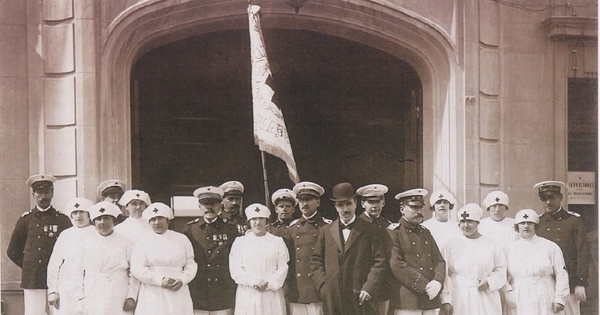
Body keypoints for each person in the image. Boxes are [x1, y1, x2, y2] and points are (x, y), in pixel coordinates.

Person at [310, 182, 387, 315]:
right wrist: (323, 286)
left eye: (348, 203)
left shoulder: (371, 230)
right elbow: (315, 261)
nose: (345, 209)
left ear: (355, 203)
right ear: (335, 206)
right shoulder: (326, 230)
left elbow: (379, 261)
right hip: (333, 298)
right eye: (340, 205)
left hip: (361, 297)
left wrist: (369, 288)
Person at [7, 174, 72, 315]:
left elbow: (71, 249)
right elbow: (12, 250)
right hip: (33, 278)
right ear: (33, 194)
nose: (43, 196)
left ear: (52, 193)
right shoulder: (26, 220)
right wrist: (30, 264)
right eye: (39, 192)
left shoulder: (63, 220)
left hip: (58, 279)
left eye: (47, 192)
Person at [131, 202, 198, 315]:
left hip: (178, 291)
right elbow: (137, 268)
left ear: (168, 220)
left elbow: (191, 264)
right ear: (149, 222)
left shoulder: (181, 239)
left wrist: (182, 280)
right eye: (153, 219)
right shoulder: (142, 241)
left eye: (160, 218)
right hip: (152, 292)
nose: (157, 222)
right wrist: (160, 280)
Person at [440, 203, 507, 315]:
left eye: (470, 221)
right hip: (459, 295)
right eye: (462, 222)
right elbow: (444, 273)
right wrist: (446, 299)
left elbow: (501, 270)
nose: (466, 225)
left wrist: (489, 282)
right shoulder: (451, 244)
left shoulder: (491, 245)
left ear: (477, 223)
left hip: (486, 297)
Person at [387, 188, 445, 315]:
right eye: (414, 208)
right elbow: (396, 265)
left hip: (430, 299)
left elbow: (439, 261)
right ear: (402, 209)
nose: (419, 212)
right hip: (407, 301)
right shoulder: (393, 232)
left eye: (421, 208)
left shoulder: (425, 232)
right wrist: (424, 285)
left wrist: (437, 282)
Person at [534, 181, 589, 315]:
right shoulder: (538, 222)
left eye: (552, 197)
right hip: (545, 284)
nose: (548, 202)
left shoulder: (573, 221)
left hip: (569, 283)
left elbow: (583, 252)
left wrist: (580, 283)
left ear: (561, 198)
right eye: (544, 198)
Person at [76, 201, 140, 315]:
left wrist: (131, 296)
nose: (102, 222)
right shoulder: (85, 243)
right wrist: (79, 297)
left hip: (118, 291)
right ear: (94, 222)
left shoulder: (126, 243)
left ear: (113, 221)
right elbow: (78, 272)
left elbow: (134, 272)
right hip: (92, 291)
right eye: (99, 219)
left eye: (106, 218)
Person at [184, 186, 239, 315]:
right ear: (199, 206)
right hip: (198, 289)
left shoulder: (230, 229)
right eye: (205, 204)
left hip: (223, 289)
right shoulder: (190, 229)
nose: (209, 207)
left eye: (213, 204)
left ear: (220, 205)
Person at [504, 209, 569, 315]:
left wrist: (559, 298)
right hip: (520, 294)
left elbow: (561, 273)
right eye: (522, 223)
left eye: (530, 223)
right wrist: (508, 293)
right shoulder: (509, 249)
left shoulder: (550, 246)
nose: (526, 226)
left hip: (545, 293)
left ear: (535, 226)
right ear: (517, 226)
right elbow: (502, 275)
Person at [229, 203, 290, 315]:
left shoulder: (277, 242)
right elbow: (235, 269)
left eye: (261, 218)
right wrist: (253, 282)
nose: (258, 222)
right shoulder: (240, 242)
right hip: (248, 293)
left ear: (266, 221)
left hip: (272, 293)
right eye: (254, 219)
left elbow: (282, 267)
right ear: (249, 222)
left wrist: (269, 283)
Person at [285, 181, 331, 315]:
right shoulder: (292, 228)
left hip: (317, 288)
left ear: (318, 202)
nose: (304, 204)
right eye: (301, 200)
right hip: (298, 289)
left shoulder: (327, 226)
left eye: (309, 200)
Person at [47, 197, 95, 314]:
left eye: (82, 212)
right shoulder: (66, 234)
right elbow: (54, 264)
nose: (78, 216)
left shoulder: (96, 233)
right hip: (67, 284)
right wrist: (53, 290)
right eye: (75, 213)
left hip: (91, 284)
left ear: (89, 214)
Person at [478, 190, 519, 315]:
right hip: (488, 275)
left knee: (512, 307)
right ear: (488, 207)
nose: (497, 209)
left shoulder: (514, 225)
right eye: (493, 206)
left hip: (511, 275)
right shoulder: (481, 225)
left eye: (500, 205)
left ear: (506, 207)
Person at [356, 183, 393, 315]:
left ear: (383, 203)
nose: (375, 206)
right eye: (370, 202)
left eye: (378, 201)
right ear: (362, 204)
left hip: (384, 288)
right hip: (362, 288)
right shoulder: (356, 226)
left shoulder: (387, 226)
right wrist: (368, 287)